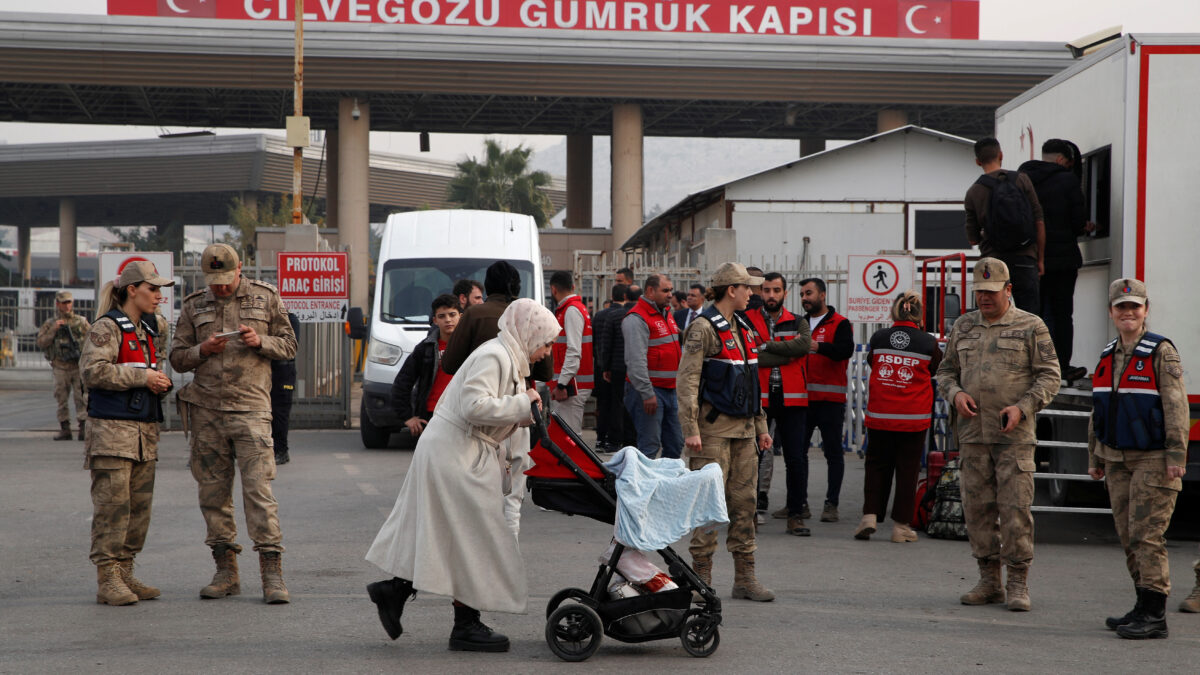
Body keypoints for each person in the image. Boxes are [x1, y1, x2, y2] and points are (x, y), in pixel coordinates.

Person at [365, 299, 558, 652]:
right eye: (545, 343)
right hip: (454, 452)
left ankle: (397, 591)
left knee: (450, 534)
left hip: (460, 451)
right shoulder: (494, 356)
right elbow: (474, 406)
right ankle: (464, 624)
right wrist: (522, 405)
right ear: (530, 334)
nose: (546, 353)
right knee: (474, 536)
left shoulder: (508, 358)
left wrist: (522, 412)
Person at [170, 243, 297, 605]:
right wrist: (202, 351)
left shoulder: (265, 298)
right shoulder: (195, 304)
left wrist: (262, 342)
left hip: (251, 409)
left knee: (259, 492)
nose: (221, 288)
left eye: (226, 280)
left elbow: (289, 345)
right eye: (214, 282)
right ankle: (225, 571)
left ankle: (272, 574)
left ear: (240, 268)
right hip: (207, 410)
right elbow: (177, 358)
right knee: (212, 494)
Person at [936, 258, 1060, 612]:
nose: (984, 298)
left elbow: (1050, 376)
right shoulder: (963, 326)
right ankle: (989, 580)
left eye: (991, 292)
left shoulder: (1030, 326)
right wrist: (955, 394)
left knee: (1015, 508)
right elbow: (945, 371)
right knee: (977, 509)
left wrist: (1023, 407)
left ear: (1008, 290)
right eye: (979, 292)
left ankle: (1018, 581)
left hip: (1014, 436)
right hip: (973, 434)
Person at [1088, 279, 1188, 639]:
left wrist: (1177, 453)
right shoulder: (1106, 354)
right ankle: (1142, 604)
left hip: (1154, 458)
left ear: (1146, 309)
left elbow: (1176, 405)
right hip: (1115, 458)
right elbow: (1097, 410)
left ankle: (1155, 614)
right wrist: (1095, 455)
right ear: (1111, 311)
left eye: (1135, 306)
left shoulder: (1161, 351)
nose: (1128, 313)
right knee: (1128, 535)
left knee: (1148, 535)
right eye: (1121, 307)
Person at [677, 262, 774, 603]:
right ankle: (700, 579)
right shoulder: (703, 329)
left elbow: (751, 382)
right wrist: (690, 428)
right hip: (712, 434)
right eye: (747, 287)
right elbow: (687, 381)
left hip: (745, 433)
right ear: (731, 289)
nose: (753, 292)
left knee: (744, 504)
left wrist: (760, 426)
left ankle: (745, 579)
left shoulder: (744, 328)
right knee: (708, 508)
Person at [81, 262, 174, 606]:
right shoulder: (107, 327)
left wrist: (158, 382)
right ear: (132, 290)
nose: (159, 296)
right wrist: (142, 379)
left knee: (138, 511)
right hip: (112, 433)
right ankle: (108, 578)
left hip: (143, 433)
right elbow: (92, 371)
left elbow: (149, 368)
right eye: (153, 289)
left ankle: (125, 571)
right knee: (113, 508)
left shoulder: (148, 330)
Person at [442, 260, 551, 536]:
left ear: (487, 286)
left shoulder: (475, 315)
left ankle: (490, 557)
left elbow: (450, 364)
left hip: (485, 423)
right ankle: (507, 555)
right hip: (518, 412)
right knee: (512, 497)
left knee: (479, 495)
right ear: (517, 286)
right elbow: (546, 371)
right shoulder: (527, 315)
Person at [857, 291, 942, 543]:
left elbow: (873, 364)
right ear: (918, 314)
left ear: (895, 311)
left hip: (880, 415)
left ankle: (869, 517)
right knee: (908, 470)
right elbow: (936, 369)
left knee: (876, 465)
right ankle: (901, 527)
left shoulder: (879, 337)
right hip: (912, 419)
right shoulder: (928, 342)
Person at [1019, 139, 1093, 384]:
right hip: (1062, 261)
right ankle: (1061, 366)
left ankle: (1032, 366)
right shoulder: (1067, 180)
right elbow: (1076, 221)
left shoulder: (1022, 177)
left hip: (1029, 261)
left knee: (1033, 315)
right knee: (1062, 315)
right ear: (1062, 160)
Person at [744, 273, 813, 536]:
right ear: (760, 292)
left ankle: (795, 514)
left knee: (796, 458)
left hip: (793, 397)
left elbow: (804, 345)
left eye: (776, 290)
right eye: (766, 290)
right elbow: (749, 355)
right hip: (760, 397)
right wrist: (787, 353)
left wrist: (768, 348)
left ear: (785, 292)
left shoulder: (798, 321)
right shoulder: (747, 320)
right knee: (752, 457)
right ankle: (749, 514)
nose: (771, 295)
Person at [965, 137, 1046, 314]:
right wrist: (1039, 259)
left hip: (993, 262)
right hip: (1025, 258)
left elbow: (972, 238)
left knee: (994, 314)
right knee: (1030, 316)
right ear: (1001, 155)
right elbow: (1038, 220)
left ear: (978, 162)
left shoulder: (973, 192)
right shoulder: (1022, 180)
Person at [798, 277, 854, 523]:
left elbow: (845, 351)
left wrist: (818, 347)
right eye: (802, 294)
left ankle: (832, 504)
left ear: (822, 295)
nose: (804, 298)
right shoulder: (800, 323)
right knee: (798, 453)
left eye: (809, 293)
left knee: (833, 453)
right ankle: (799, 503)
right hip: (802, 399)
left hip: (830, 399)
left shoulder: (840, 323)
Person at [621, 274, 684, 459]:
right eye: (665, 290)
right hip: (649, 392)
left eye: (671, 290)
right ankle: (640, 487)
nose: (670, 295)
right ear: (650, 291)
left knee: (675, 444)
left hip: (670, 390)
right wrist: (647, 394)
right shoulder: (637, 318)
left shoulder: (665, 314)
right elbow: (635, 361)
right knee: (649, 447)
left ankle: (666, 485)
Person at [391, 294, 460, 443]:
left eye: (452, 314)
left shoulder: (470, 347)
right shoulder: (425, 349)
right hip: (431, 416)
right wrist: (407, 417)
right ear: (435, 320)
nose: (448, 320)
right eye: (442, 316)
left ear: (461, 316)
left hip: (461, 415)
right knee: (431, 465)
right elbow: (402, 383)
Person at [37, 290, 90, 441]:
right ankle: (65, 429)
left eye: (69, 302)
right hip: (60, 367)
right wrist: (53, 330)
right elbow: (41, 342)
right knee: (61, 398)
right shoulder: (51, 323)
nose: (67, 306)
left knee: (82, 398)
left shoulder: (81, 322)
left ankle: (83, 428)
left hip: (77, 366)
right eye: (63, 303)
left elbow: (93, 339)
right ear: (57, 304)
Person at [547, 271, 593, 432]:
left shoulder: (570, 311)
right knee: (566, 437)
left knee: (569, 439)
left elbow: (573, 350)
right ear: (573, 286)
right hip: (572, 384)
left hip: (571, 387)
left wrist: (561, 384)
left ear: (553, 290)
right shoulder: (574, 309)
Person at [590, 284, 630, 451]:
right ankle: (616, 439)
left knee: (603, 403)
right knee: (619, 404)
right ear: (626, 297)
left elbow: (595, 343)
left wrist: (601, 363)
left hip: (601, 366)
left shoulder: (599, 316)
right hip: (620, 367)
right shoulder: (627, 315)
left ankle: (601, 438)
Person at [599, 284, 638, 450]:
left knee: (617, 404)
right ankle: (633, 440)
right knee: (636, 404)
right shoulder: (641, 316)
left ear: (625, 297)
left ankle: (615, 440)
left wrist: (605, 367)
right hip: (637, 367)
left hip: (617, 367)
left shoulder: (614, 316)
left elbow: (606, 345)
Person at [270, 311, 301, 466]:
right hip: (265, 370)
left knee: (279, 412)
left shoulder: (290, 319)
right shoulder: (262, 318)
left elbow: (290, 347)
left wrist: (263, 342)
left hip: (283, 371)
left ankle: (281, 451)